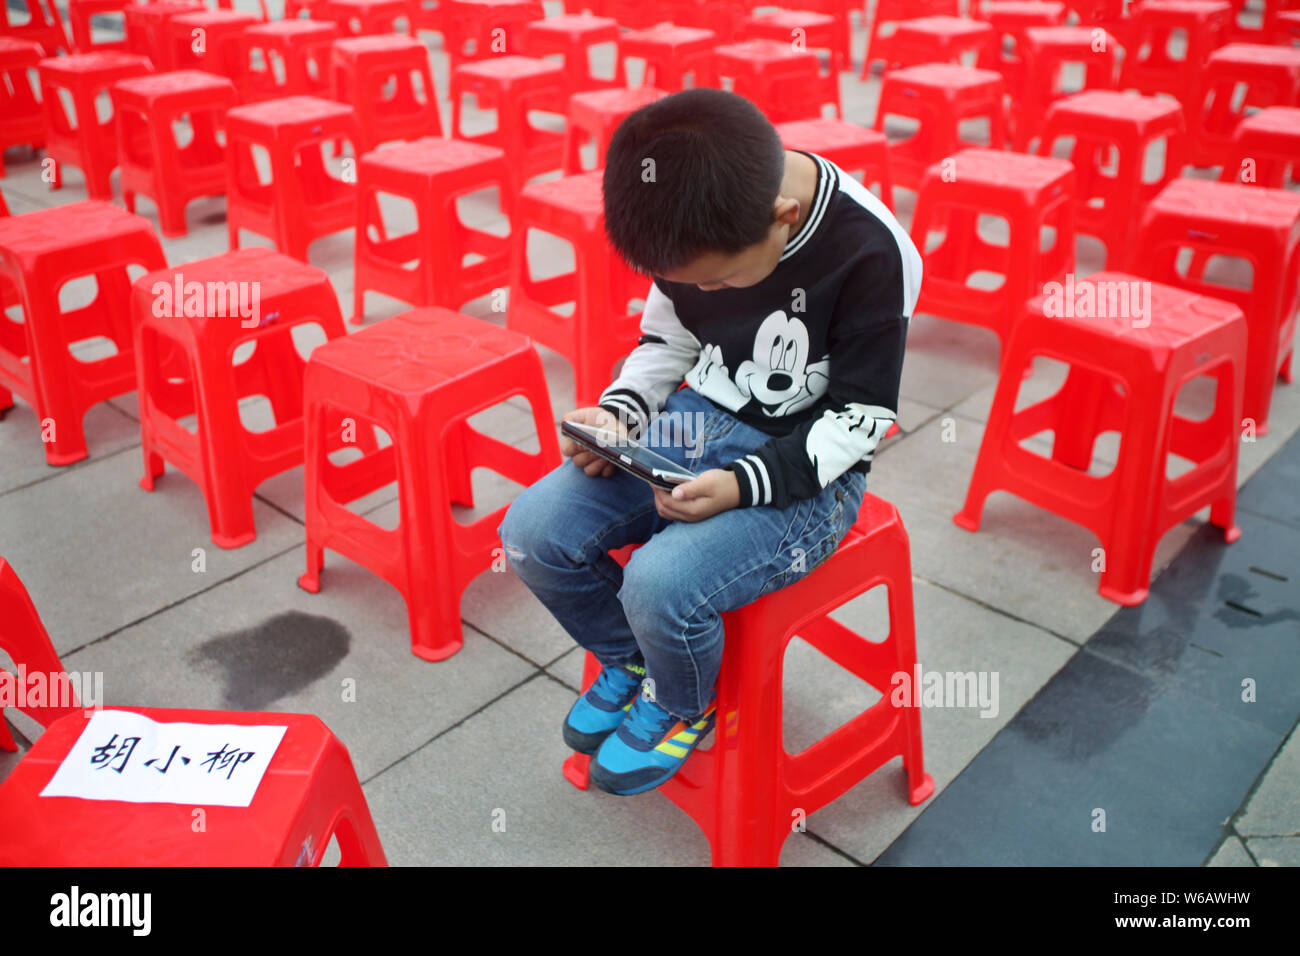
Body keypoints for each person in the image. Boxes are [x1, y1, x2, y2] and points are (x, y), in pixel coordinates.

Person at [498, 88, 922, 796]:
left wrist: (742, 485)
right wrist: (621, 417)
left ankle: (680, 702)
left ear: (782, 219)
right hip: (696, 421)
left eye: (722, 278)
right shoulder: (686, 226)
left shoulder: (872, 251)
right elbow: (669, 340)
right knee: (531, 534)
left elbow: (860, 419)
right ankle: (634, 661)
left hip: (809, 470)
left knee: (661, 582)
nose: (710, 292)